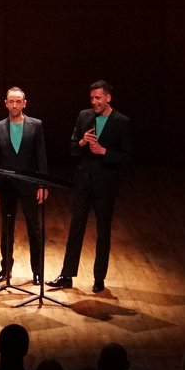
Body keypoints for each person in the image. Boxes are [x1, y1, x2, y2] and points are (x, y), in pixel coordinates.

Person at [52, 79, 132, 295]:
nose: (94, 102)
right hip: (83, 182)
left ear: (108, 97)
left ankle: (99, 278)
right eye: (92, 98)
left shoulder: (121, 122)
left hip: (105, 186)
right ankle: (67, 274)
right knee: (76, 227)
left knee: (103, 231)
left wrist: (104, 152)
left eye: (98, 98)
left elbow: (127, 158)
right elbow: (71, 148)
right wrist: (81, 143)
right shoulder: (84, 116)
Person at [0, 86, 51, 288]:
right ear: (6, 103)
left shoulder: (36, 125)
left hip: (29, 184)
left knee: (34, 228)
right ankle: (6, 269)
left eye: (18, 101)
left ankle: (37, 272)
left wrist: (42, 184)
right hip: (7, 185)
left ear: (24, 103)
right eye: (11, 101)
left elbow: (41, 157)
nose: (14, 105)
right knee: (6, 229)